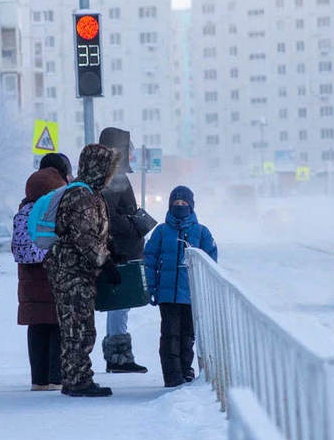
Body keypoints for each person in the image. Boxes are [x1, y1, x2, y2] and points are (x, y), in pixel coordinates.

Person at [43, 144, 121, 397]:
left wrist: (110, 251)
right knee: (77, 328)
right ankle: (77, 381)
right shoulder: (81, 196)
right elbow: (84, 237)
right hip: (71, 273)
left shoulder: (91, 193)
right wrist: (104, 261)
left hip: (78, 272)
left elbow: (95, 233)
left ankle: (77, 377)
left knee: (81, 326)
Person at [143, 186, 217, 388]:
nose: (180, 206)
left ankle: (186, 371)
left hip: (192, 295)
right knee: (169, 336)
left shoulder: (201, 232)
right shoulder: (161, 231)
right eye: (176, 203)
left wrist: (206, 291)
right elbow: (149, 260)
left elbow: (210, 263)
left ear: (191, 206)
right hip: (167, 295)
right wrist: (150, 287)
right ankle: (172, 376)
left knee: (187, 336)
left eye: (184, 203)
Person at [97, 127, 149, 374]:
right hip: (120, 250)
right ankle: (118, 357)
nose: (132, 153)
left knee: (121, 304)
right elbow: (109, 214)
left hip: (122, 249)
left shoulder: (111, 175)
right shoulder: (112, 177)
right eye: (128, 148)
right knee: (120, 303)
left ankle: (118, 355)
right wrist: (133, 225)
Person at [12, 167, 66, 390]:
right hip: (52, 280)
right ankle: (55, 377)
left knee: (36, 329)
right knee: (56, 327)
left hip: (29, 284)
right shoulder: (50, 212)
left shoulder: (22, 212)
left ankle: (38, 379)